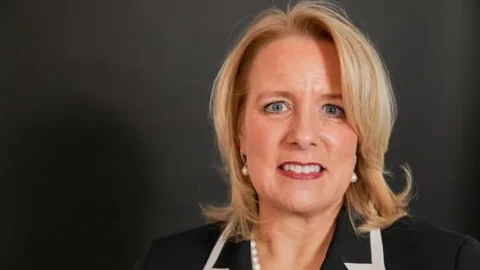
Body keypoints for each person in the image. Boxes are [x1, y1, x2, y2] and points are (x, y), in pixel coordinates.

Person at [136, 1, 480, 269]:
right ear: (239, 130)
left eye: (333, 109)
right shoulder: (167, 262)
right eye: (276, 106)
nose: (303, 135)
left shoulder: (449, 262)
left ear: (363, 137)